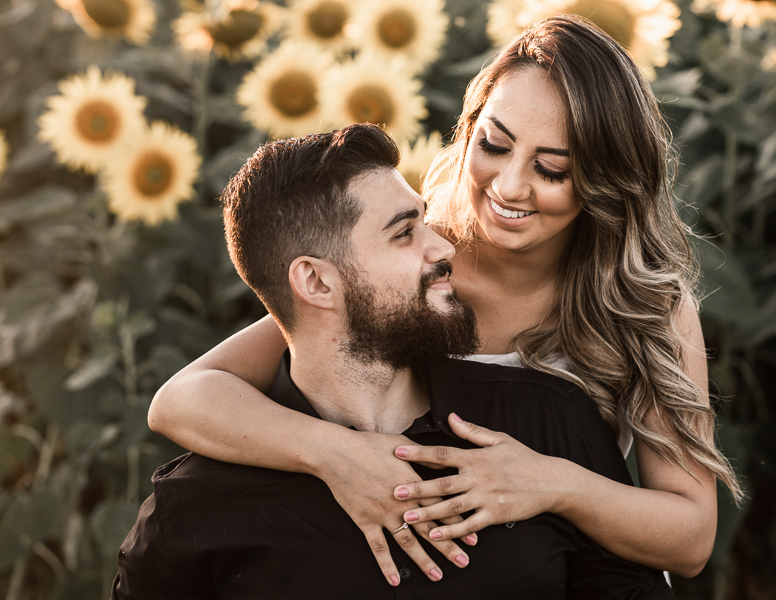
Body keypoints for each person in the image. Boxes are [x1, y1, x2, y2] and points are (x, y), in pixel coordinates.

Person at [147, 15, 742, 587]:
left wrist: (551, 484)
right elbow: (183, 400)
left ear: (606, 181)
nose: (509, 186)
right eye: (494, 144)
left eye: (552, 169)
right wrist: (337, 455)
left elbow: (690, 539)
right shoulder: (421, 264)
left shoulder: (644, 307)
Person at [112, 124, 673, 599]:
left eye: (426, 222)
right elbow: (176, 400)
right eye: (405, 233)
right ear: (314, 281)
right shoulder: (195, 511)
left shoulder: (547, 426)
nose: (445, 248)